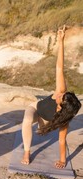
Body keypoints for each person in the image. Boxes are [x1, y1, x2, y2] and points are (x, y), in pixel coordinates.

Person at [20, 25, 81, 168]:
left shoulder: (64, 121)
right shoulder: (61, 90)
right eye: (64, 93)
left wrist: (63, 160)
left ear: (62, 106)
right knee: (27, 120)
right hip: (35, 109)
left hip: (47, 120)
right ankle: (27, 152)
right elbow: (59, 67)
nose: (60, 94)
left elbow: (61, 141)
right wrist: (61, 41)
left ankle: (41, 125)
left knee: (44, 129)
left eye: (62, 97)